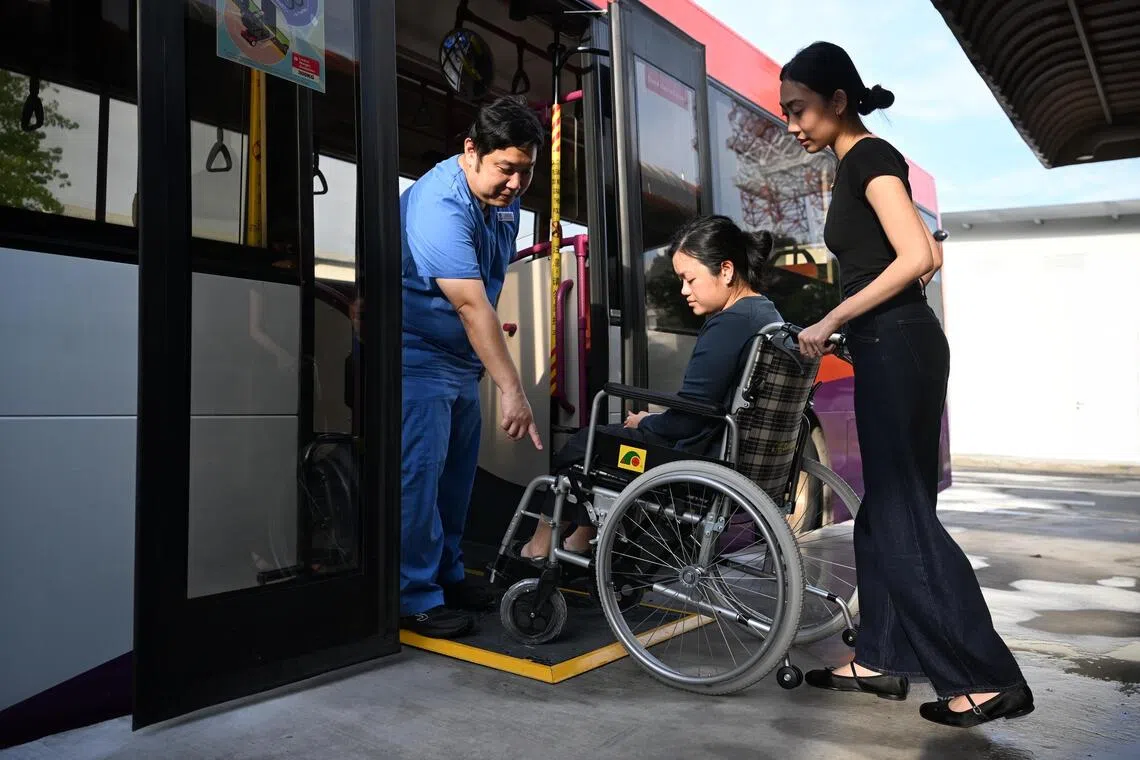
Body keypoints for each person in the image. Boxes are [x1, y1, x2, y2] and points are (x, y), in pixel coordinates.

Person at [780, 41, 1033, 727]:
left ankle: (983, 677)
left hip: (896, 348)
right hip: (893, 345)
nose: (792, 124)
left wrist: (835, 315)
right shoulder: (856, 164)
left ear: (837, 101)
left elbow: (919, 254)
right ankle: (881, 656)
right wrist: (855, 319)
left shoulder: (869, 158)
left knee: (901, 515)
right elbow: (916, 262)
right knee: (886, 510)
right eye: (786, 112)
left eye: (799, 109)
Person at [519, 215, 782, 560]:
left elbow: (688, 420)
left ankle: (539, 547)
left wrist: (646, 421)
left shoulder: (728, 324)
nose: (683, 291)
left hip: (699, 460)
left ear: (726, 271)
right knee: (608, 444)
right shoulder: (766, 314)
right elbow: (704, 404)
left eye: (689, 279)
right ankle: (581, 540)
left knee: (586, 444)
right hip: (729, 454)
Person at [400, 96, 545, 639]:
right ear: (471, 150)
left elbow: (487, 285)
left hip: (459, 362)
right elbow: (469, 303)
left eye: (526, 171)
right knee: (418, 479)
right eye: (506, 168)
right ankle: (412, 596)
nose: (515, 184)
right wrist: (513, 389)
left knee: (455, 481)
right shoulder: (440, 203)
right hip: (415, 356)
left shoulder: (503, 202)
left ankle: (448, 576)